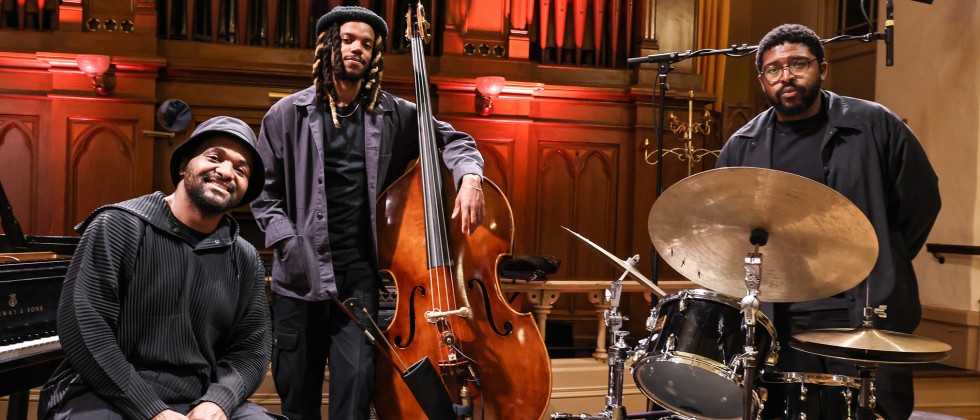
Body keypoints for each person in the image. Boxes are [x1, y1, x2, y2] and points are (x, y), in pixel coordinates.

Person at [250, 5, 485, 420]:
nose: (357, 49)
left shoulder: (395, 113)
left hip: (360, 283)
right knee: (298, 400)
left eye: (367, 44)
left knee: (355, 398)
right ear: (328, 45)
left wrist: (470, 178)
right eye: (347, 40)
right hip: (300, 279)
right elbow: (263, 194)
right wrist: (288, 241)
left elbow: (455, 140)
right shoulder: (285, 114)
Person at [717, 23, 941, 419]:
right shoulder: (743, 145)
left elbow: (920, 201)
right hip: (782, 317)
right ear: (762, 80)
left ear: (822, 68)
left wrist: (883, 259)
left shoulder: (875, 124)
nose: (786, 76)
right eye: (773, 69)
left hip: (866, 309)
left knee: (872, 412)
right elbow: (728, 230)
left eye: (798, 64)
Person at [39, 116, 276, 420]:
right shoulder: (117, 225)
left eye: (241, 170)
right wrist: (152, 410)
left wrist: (219, 402)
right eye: (215, 157)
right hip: (104, 392)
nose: (227, 172)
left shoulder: (245, 257)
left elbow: (252, 350)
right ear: (184, 166)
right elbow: (85, 329)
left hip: (199, 397)